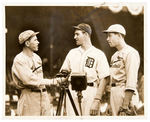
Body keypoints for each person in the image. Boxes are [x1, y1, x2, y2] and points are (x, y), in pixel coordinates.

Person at [11, 30, 66, 116]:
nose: (38, 42)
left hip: (43, 95)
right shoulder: (19, 59)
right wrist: (54, 81)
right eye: (35, 40)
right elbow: (29, 80)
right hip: (29, 96)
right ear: (27, 43)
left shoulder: (37, 58)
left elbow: (40, 79)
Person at [60, 23, 110, 116]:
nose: (74, 37)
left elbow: (105, 78)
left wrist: (97, 99)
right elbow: (63, 74)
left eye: (77, 34)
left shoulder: (98, 53)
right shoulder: (72, 53)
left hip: (90, 91)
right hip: (73, 91)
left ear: (86, 34)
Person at [90, 24, 140, 116]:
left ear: (119, 35)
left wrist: (125, 106)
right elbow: (110, 80)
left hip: (125, 93)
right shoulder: (114, 55)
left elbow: (131, 81)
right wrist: (110, 103)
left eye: (110, 36)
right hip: (114, 92)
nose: (107, 39)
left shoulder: (131, 53)